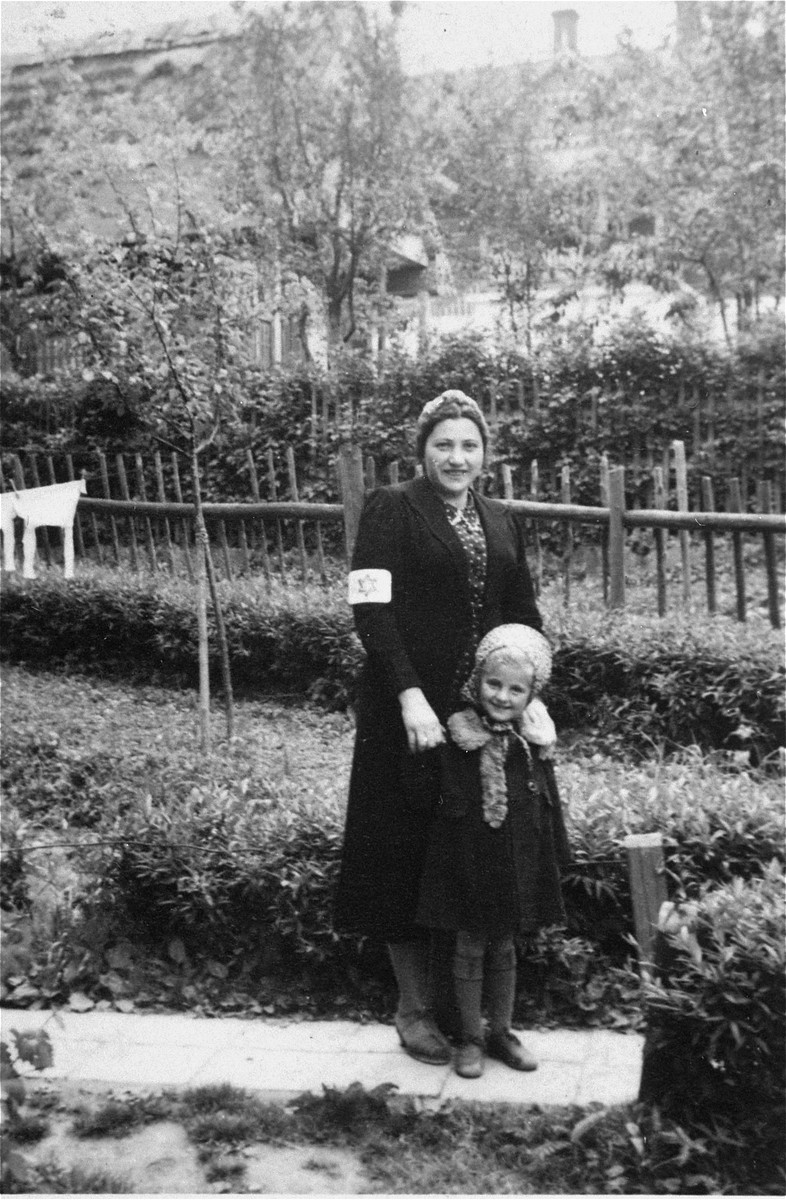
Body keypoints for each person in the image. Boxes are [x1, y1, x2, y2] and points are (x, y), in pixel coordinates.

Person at [333, 390, 543, 1066]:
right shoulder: (392, 508)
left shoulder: (501, 518)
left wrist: (531, 690)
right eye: (444, 444)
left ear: (486, 453)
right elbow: (372, 611)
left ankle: (474, 1023)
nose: (457, 457)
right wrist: (410, 696)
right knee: (402, 852)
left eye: (469, 445)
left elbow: (523, 615)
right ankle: (413, 1011)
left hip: (480, 724)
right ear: (423, 449)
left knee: (463, 860)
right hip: (410, 717)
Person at [415, 623, 570, 1078]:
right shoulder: (456, 737)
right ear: (476, 682)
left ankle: (501, 1031)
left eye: (516, 689)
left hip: (512, 866)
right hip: (466, 866)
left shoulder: (533, 742)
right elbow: (436, 807)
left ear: (531, 694)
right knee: (467, 946)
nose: (503, 696)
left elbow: (547, 801)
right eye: (494, 684)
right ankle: (469, 1037)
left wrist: (554, 856)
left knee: (503, 946)